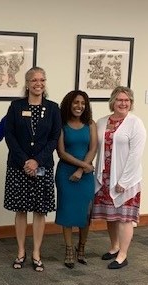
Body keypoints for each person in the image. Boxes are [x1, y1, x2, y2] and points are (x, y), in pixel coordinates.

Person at [3, 67, 61, 272]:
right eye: (34, 80)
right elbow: (9, 135)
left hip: (42, 166)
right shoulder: (16, 106)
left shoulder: (53, 108)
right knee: (20, 209)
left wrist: (37, 161)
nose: (39, 83)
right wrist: (25, 161)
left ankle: (36, 252)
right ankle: (20, 251)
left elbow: (54, 138)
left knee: (39, 210)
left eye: (42, 79)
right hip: (19, 166)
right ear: (26, 83)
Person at [92, 86, 146, 269]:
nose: (123, 103)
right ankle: (114, 247)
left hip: (126, 179)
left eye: (127, 100)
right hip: (106, 177)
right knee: (111, 216)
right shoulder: (101, 122)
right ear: (112, 101)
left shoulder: (135, 123)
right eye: (120, 100)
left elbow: (135, 154)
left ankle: (123, 255)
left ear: (131, 103)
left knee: (124, 218)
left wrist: (124, 181)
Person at [55, 90, 97, 269]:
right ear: (69, 104)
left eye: (83, 103)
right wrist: (83, 166)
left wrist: (81, 169)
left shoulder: (91, 124)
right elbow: (61, 152)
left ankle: (82, 248)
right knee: (67, 212)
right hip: (66, 174)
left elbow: (93, 149)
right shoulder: (62, 124)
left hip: (85, 175)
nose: (79, 106)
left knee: (85, 213)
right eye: (76, 102)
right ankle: (69, 250)